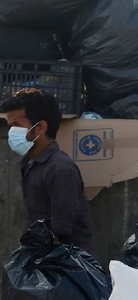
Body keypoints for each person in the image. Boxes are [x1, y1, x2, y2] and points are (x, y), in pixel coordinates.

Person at [1, 88, 96, 256]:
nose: (11, 133)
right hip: (42, 258)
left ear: (41, 128)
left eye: (17, 126)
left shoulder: (60, 169)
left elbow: (58, 234)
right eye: (10, 126)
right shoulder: (29, 162)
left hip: (66, 267)